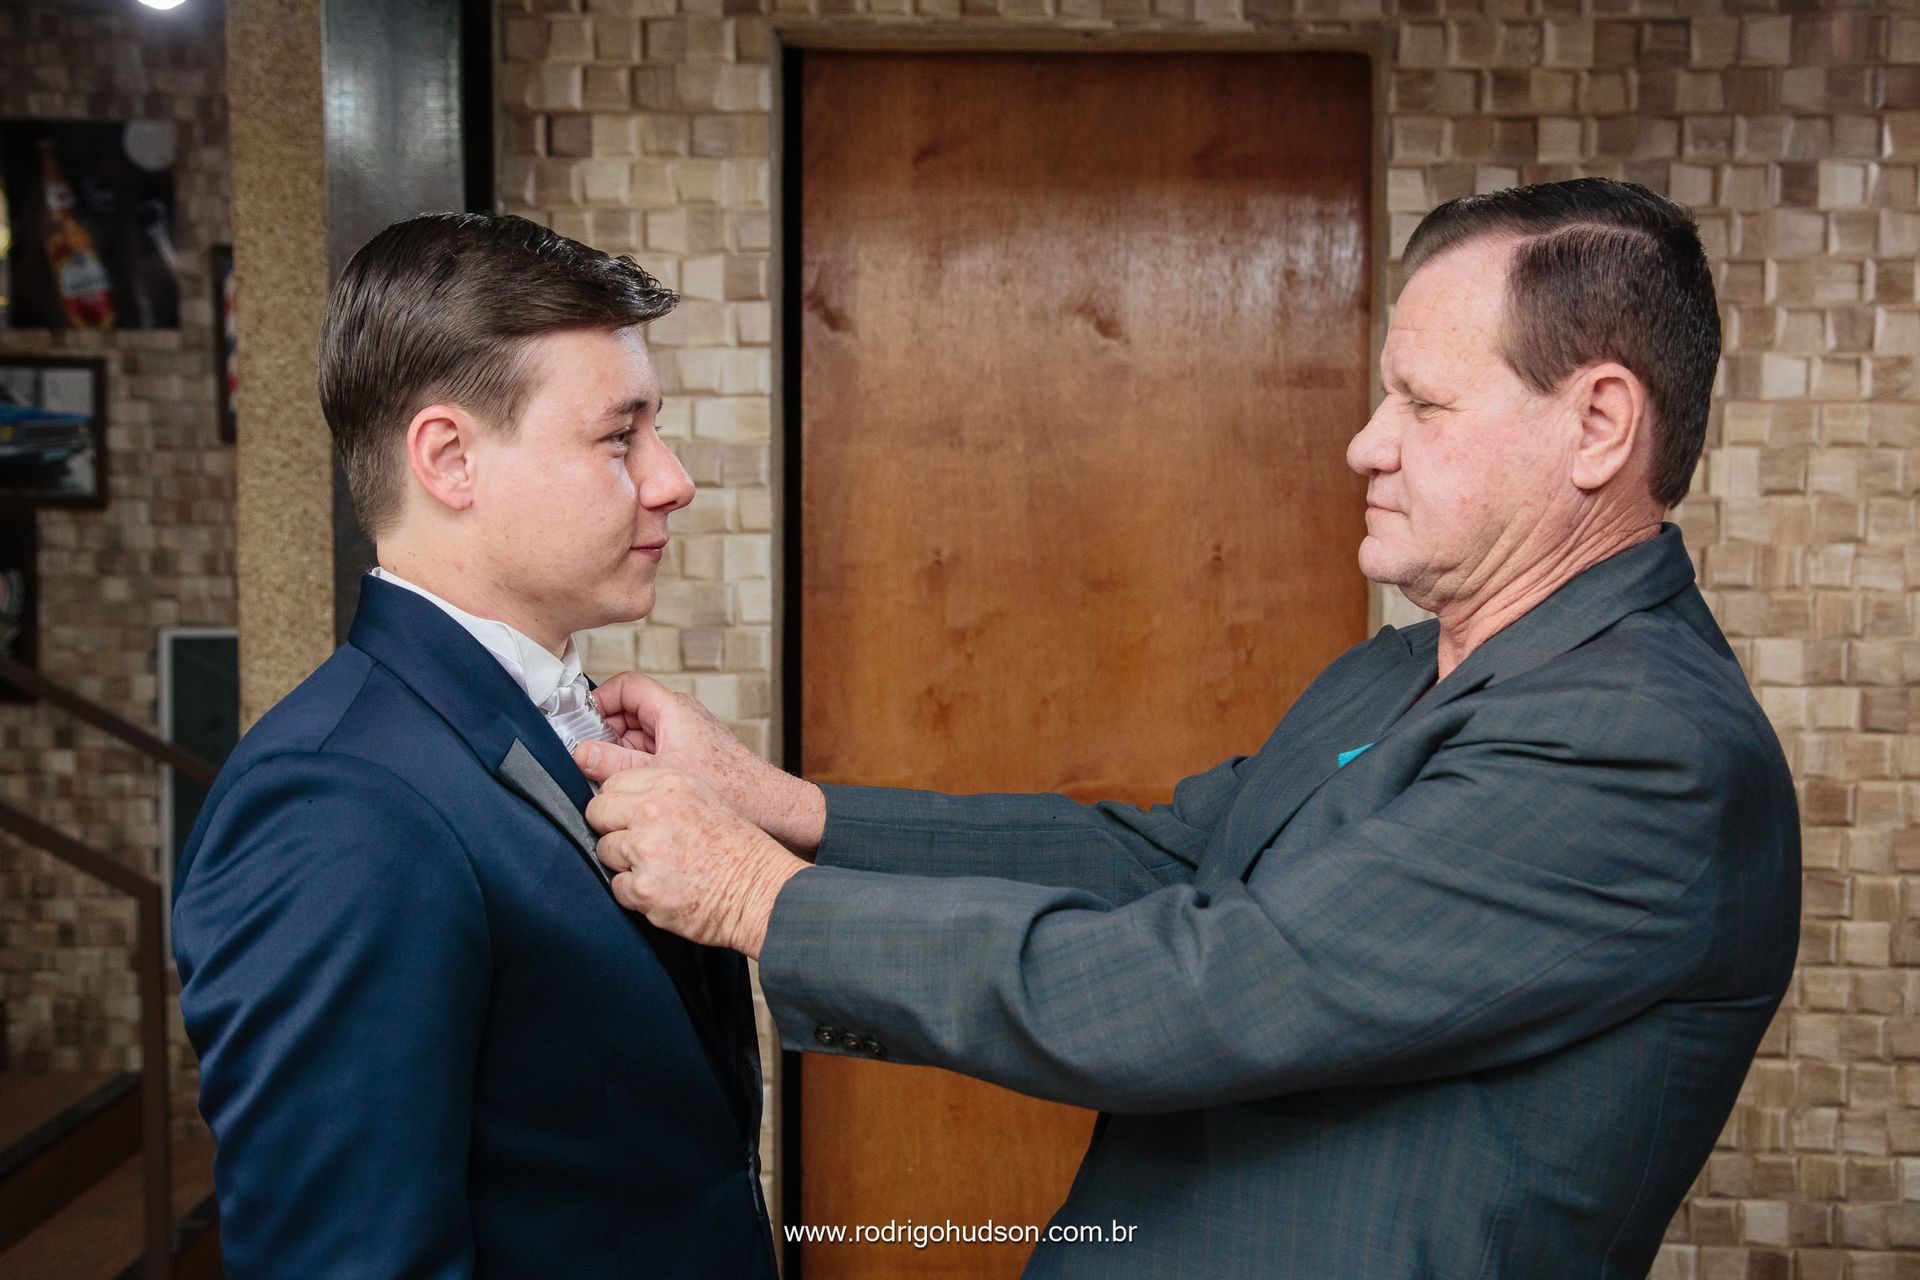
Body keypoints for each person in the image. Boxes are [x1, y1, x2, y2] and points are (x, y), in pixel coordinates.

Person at [575, 178, 1801, 1277]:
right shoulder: (1396, 672)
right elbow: (1165, 864)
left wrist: (761, 899)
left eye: (1423, 403)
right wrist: (782, 808)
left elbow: (1206, 987)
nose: (1365, 444)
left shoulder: (1641, 747)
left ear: (1597, 424)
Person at [172, 213, 777, 1279]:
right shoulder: (336, 806)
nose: (672, 479)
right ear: (450, 459)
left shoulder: (541, 717)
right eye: (621, 437)